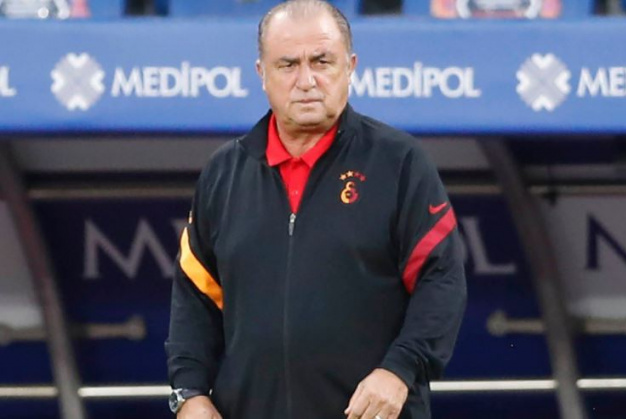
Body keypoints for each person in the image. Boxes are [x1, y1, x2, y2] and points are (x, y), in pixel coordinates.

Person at [165, 1, 466, 418]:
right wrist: (189, 394)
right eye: (288, 65)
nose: (306, 81)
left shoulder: (400, 162)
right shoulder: (224, 172)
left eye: (322, 61)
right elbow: (194, 296)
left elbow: (441, 280)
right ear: (262, 74)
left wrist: (400, 370)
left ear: (350, 66)